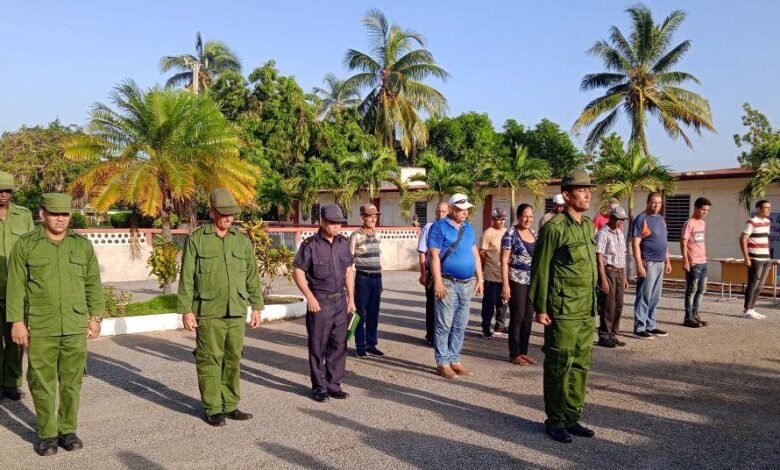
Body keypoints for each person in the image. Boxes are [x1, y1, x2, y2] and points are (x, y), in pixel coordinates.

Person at [7, 193, 104, 456]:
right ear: (42, 214)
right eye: (54, 213)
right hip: (41, 325)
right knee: (42, 382)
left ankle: (68, 430)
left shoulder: (82, 246)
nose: (60, 219)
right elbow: (16, 287)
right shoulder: (26, 245)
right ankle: (47, 434)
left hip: (73, 324)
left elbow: (92, 283)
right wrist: (17, 321)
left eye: (65, 214)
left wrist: (95, 317)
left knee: (72, 382)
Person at [177, 188, 263, 426]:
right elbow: (187, 277)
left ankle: (230, 404)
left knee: (233, 357)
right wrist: (186, 310)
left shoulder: (241, 240)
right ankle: (213, 407)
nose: (228, 218)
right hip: (208, 309)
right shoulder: (197, 239)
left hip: (235, 308)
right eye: (224, 214)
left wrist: (256, 306)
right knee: (209, 358)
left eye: (232, 214)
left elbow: (251, 276)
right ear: (212, 211)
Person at [530, 168, 598, 444]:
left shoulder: (589, 226)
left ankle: (571, 416)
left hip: (585, 309)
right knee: (559, 364)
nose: (587, 193)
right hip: (562, 309)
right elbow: (541, 268)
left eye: (589, 189)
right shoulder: (554, 228)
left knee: (580, 365)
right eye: (581, 190)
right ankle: (555, 420)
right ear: (567, 196)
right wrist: (541, 307)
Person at [293, 205, 356, 402]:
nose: (337, 226)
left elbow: (348, 271)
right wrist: (309, 297)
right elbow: (298, 271)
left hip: (340, 301)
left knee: (339, 344)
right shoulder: (310, 245)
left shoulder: (343, 243)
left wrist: (351, 298)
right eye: (332, 223)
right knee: (317, 345)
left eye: (339, 223)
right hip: (320, 301)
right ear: (322, 222)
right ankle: (319, 386)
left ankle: (333, 384)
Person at [428, 193, 484, 379]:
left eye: (467, 209)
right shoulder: (439, 227)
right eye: (461, 209)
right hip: (448, 282)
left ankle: (455, 360)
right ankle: (442, 362)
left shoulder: (468, 229)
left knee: (460, 324)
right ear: (451, 209)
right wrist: (437, 281)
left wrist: (480, 279)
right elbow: (434, 256)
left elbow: (475, 255)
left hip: (467, 284)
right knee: (444, 324)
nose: (465, 212)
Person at [0, 171, 34, 401]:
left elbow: (32, 249)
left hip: (15, 290)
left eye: (7, 191)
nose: (3, 194)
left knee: (15, 340)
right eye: (0, 190)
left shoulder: (23, 215)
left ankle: (11, 383)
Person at [501, 203, 538, 366]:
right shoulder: (510, 234)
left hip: (532, 280)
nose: (528, 219)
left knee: (529, 317)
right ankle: (514, 353)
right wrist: (505, 285)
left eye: (530, 216)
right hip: (516, 279)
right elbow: (503, 260)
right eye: (525, 216)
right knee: (518, 316)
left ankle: (524, 351)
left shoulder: (534, 233)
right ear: (518, 216)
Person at [631, 192, 672, 339]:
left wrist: (667, 260)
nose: (656, 205)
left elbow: (664, 241)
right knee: (644, 296)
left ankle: (651, 325)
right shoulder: (641, 218)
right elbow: (635, 244)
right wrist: (639, 265)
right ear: (648, 202)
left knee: (655, 297)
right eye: (654, 202)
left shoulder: (661, 219)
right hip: (648, 263)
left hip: (660, 262)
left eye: (659, 203)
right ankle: (639, 327)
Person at [350, 204, 384, 357]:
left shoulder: (378, 235)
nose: (373, 219)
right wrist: (351, 285)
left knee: (373, 314)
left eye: (375, 216)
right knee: (360, 314)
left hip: (376, 279)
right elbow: (349, 262)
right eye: (370, 216)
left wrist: (381, 281)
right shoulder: (355, 235)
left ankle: (371, 344)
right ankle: (360, 347)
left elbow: (378, 260)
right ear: (363, 217)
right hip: (362, 279)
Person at [595, 207, 629, 348]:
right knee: (608, 305)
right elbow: (599, 257)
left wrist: (625, 276)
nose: (622, 222)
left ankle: (613, 334)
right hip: (608, 271)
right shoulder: (603, 233)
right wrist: (603, 278)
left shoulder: (620, 233)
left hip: (620, 271)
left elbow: (623, 255)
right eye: (620, 220)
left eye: (623, 220)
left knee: (619, 305)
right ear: (612, 218)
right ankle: (604, 335)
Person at [417, 202, 449, 346]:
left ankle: (445, 336)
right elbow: (422, 253)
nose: (440, 214)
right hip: (432, 271)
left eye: (443, 211)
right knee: (432, 305)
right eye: (438, 211)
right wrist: (423, 274)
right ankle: (431, 336)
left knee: (447, 305)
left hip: (448, 272)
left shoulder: (452, 227)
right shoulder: (429, 227)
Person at [740, 200, 774, 319]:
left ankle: (752, 309)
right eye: (766, 207)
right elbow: (743, 239)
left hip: (766, 258)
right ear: (758, 209)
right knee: (753, 284)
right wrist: (746, 258)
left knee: (760, 285)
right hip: (755, 258)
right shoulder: (751, 222)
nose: (769, 209)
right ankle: (746, 309)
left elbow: (764, 240)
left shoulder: (768, 222)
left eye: (769, 207)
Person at [681, 197, 712, 327]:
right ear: (696, 208)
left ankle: (695, 314)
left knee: (701, 289)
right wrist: (686, 261)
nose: (705, 212)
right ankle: (688, 317)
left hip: (703, 261)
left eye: (707, 210)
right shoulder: (689, 223)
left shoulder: (703, 224)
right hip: (693, 262)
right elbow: (683, 242)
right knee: (691, 289)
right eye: (703, 210)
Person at [479, 208, 508, 338]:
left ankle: (499, 326)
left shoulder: (507, 232)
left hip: (504, 275)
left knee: (503, 304)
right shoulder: (488, 233)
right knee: (489, 304)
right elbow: (482, 253)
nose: (501, 222)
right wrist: (481, 273)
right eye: (498, 219)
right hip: (491, 275)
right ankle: (485, 327)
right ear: (493, 220)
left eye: (503, 219)